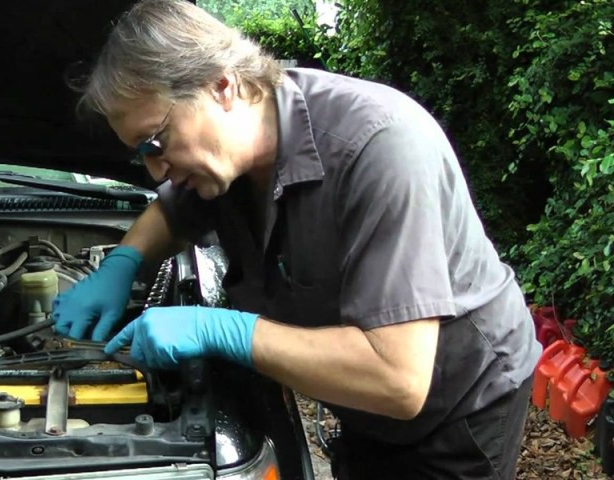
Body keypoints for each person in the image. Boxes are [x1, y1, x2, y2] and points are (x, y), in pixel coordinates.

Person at [50, 0, 543, 478]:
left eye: (155, 143)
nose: (157, 171)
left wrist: (221, 329)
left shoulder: (379, 148)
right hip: (364, 402)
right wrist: (124, 262)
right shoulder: (227, 151)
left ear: (221, 86)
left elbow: (398, 380)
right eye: (140, 154)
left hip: (454, 408)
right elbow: (173, 210)